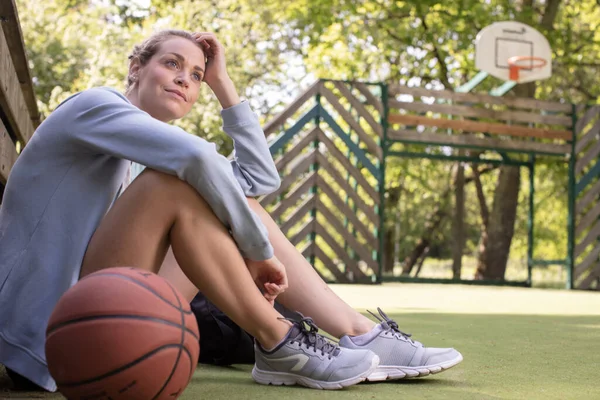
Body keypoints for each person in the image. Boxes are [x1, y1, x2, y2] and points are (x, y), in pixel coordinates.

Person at [0, 29, 462, 393]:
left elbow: (258, 185)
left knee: (227, 200)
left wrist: (224, 85)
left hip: (94, 316)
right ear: (136, 68)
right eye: (172, 64)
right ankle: (277, 338)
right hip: (44, 336)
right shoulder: (95, 106)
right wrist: (258, 254)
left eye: (197, 75)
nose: (186, 78)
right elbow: (199, 162)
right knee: (177, 183)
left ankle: (357, 331)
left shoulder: (135, 155)